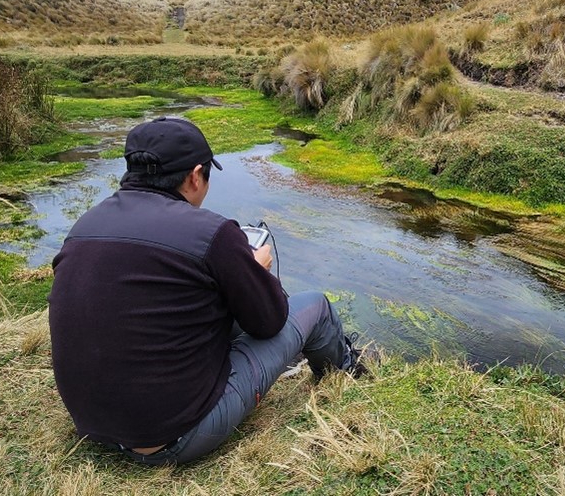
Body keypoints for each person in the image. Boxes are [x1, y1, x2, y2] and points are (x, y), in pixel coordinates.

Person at [48, 116, 365, 466]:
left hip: (92, 426)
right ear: (195, 175)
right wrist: (255, 271)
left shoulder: (84, 225)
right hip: (173, 437)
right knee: (316, 306)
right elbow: (270, 322)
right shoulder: (212, 231)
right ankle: (348, 376)